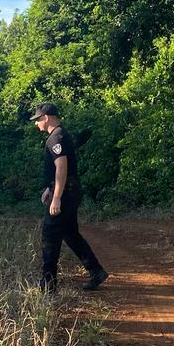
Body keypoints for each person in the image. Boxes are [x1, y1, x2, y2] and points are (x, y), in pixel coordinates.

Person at [30, 102, 108, 292]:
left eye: (37, 119)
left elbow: (62, 167)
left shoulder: (55, 138)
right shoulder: (60, 135)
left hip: (66, 193)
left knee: (50, 235)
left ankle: (48, 283)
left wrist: (56, 197)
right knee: (70, 234)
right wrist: (50, 188)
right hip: (70, 191)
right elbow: (62, 169)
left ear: (46, 117)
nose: (36, 124)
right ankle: (96, 271)